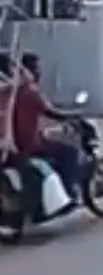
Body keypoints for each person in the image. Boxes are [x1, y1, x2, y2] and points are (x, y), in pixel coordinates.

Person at [11, 54, 81, 197]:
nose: (39, 72)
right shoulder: (32, 91)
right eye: (36, 68)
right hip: (32, 144)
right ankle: (69, 192)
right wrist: (72, 116)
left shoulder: (15, 90)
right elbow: (52, 112)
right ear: (27, 71)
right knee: (71, 152)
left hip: (20, 142)